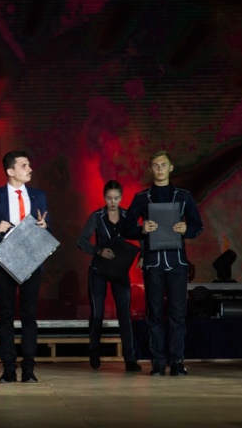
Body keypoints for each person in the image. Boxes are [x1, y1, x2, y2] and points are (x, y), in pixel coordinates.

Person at [122, 150, 203, 376]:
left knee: (177, 314)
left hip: (177, 262)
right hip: (153, 263)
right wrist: (142, 229)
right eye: (156, 165)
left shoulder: (183, 196)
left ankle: (177, 361)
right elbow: (126, 228)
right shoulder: (142, 198)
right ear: (151, 169)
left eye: (163, 165)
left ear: (171, 167)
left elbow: (198, 225)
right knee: (155, 313)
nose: (160, 169)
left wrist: (186, 229)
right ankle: (158, 362)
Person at [0, 150, 49, 384]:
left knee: (29, 315)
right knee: (6, 315)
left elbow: (48, 227)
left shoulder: (38, 196)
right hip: (5, 258)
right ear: (10, 171)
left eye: (29, 165)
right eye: (24, 165)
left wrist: (44, 226)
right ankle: (8, 369)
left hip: (31, 258)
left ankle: (29, 369)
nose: (30, 169)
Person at [77, 180, 141, 372]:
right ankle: (94, 352)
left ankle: (130, 359)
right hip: (98, 270)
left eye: (116, 198)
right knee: (97, 313)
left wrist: (143, 256)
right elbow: (81, 241)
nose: (113, 202)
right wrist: (98, 250)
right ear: (104, 197)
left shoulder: (127, 216)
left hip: (120, 271)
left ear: (121, 198)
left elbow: (142, 236)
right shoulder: (97, 216)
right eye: (109, 198)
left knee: (124, 314)